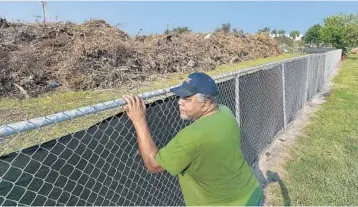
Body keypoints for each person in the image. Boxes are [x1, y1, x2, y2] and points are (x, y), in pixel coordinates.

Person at [123, 72, 263, 206]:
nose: (180, 102)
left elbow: (153, 165)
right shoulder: (225, 111)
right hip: (251, 192)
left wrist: (139, 120)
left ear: (206, 103)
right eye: (180, 97)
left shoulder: (191, 136)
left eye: (187, 99)